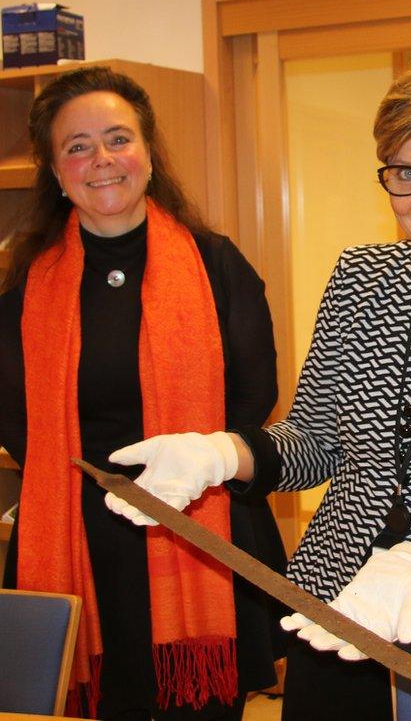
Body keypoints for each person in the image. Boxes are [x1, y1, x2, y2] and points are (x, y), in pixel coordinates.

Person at [105, 58, 411, 720]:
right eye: (404, 173)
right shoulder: (363, 280)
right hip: (333, 606)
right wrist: (222, 455)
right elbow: (314, 441)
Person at [0, 66, 287, 720]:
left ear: (149, 155)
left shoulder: (216, 263)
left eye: (117, 138)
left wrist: (189, 473)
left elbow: (253, 395)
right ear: (55, 168)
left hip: (201, 524)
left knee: (201, 708)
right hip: (79, 537)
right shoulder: (27, 284)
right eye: (77, 146)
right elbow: (15, 414)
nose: (100, 159)